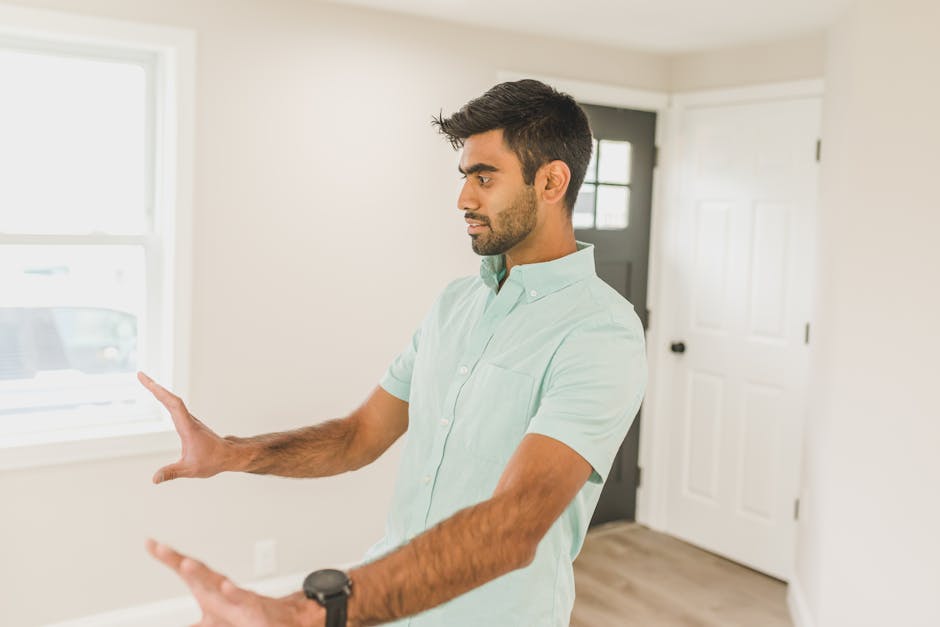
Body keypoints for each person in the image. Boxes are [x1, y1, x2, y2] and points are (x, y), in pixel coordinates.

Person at [142, 78, 648, 627]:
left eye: (485, 177)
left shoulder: (601, 332)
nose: (464, 199)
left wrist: (306, 613)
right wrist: (234, 453)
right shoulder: (457, 302)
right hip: (392, 605)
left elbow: (514, 526)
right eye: (464, 177)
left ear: (551, 181)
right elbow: (361, 435)